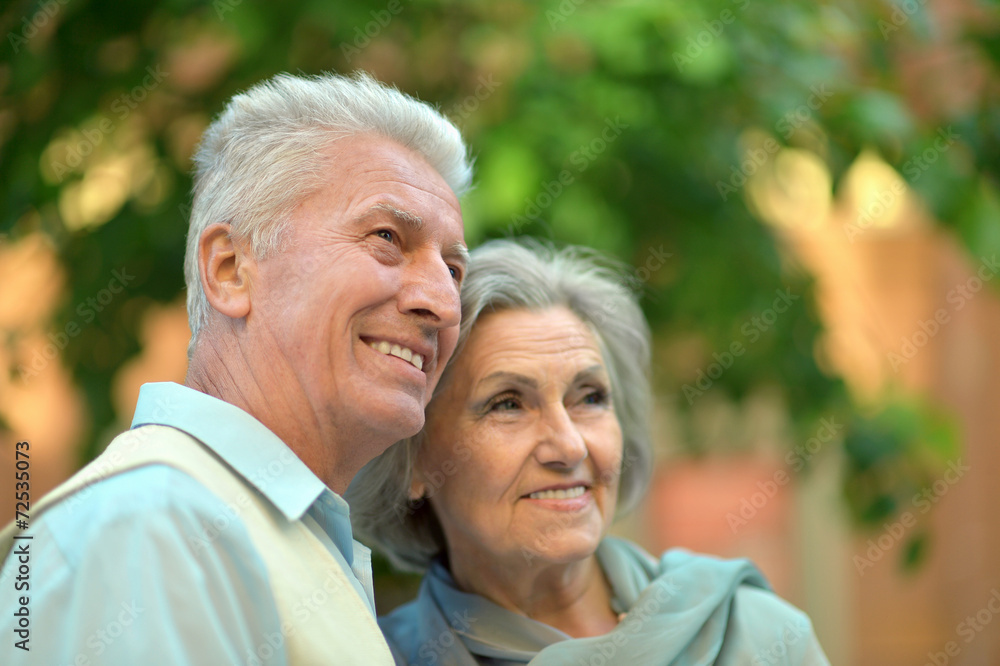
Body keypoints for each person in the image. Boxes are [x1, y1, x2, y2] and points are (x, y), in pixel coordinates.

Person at [0, 71, 471, 665]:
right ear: (229, 270)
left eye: (454, 270)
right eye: (386, 237)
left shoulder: (234, 525)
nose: (443, 302)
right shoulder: (153, 527)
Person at [348, 239, 831, 665]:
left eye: (590, 397)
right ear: (412, 459)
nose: (569, 445)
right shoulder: (369, 656)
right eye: (508, 404)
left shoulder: (756, 637)